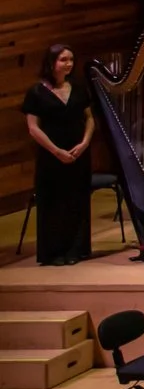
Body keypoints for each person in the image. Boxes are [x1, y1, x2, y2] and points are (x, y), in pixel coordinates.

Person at [22, 44, 93, 265]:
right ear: (51, 63)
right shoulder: (36, 92)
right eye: (63, 59)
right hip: (51, 156)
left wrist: (84, 143)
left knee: (76, 201)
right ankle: (54, 252)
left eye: (71, 59)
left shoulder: (79, 88)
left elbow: (89, 118)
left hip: (77, 153)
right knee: (54, 203)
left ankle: (76, 249)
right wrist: (56, 151)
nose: (69, 64)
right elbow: (33, 127)